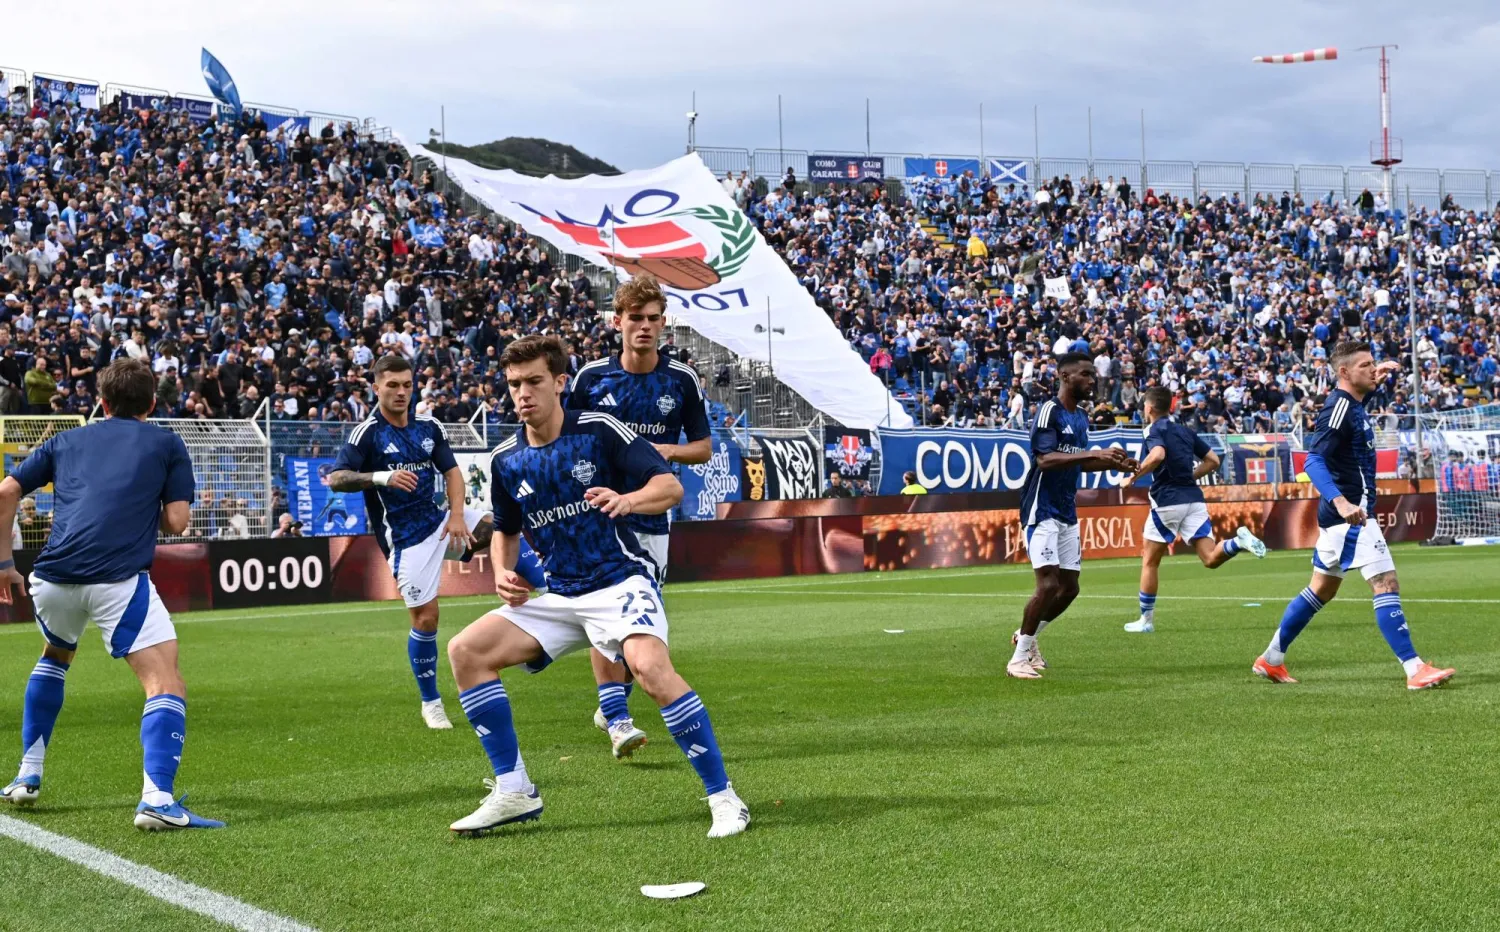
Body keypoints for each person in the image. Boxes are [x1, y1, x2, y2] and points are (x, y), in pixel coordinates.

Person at [445, 335, 748, 838]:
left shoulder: (599, 431)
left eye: (535, 382)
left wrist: (628, 500)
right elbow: (506, 530)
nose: (523, 393)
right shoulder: (506, 460)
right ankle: (514, 790)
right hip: (562, 595)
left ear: (561, 383)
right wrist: (501, 571)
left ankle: (723, 797)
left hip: (619, 580)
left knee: (650, 669)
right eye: (514, 384)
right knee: (465, 652)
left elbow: (669, 487)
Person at [0, 359, 222, 830]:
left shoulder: (67, 438)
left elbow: (6, 492)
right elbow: (178, 523)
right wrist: (148, 505)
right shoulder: (165, 442)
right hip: (115, 579)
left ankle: (27, 776)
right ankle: (158, 798)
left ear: (101, 402)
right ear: (153, 403)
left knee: (55, 655)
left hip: (51, 578)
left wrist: (4, 565)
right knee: (165, 680)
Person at [1253, 342, 1454, 689]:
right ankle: (1414, 669)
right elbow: (1313, 460)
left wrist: (1380, 380)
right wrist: (1343, 503)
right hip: (1352, 516)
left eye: (1374, 363)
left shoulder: (1353, 405)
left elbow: (1353, 415)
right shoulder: (1338, 408)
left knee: (1321, 589)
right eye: (1365, 365)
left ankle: (1271, 659)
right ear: (1344, 372)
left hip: (1341, 517)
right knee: (1385, 583)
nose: (1372, 369)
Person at [566, 276, 710, 759]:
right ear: (617, 322)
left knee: (643, 617)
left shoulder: (680, 380)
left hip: (652, 511)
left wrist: (662, 449)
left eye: (652, 319)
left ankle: (611, 702)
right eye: (635, 319)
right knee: (607, 607)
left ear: (663, 324)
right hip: (603, 512)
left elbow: (704, 448)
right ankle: (618, 716)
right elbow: (568, 441)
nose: (644, 327)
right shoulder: (591, 380)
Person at [328, 355, 487, 729]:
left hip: (439, 522)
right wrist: (382, 477)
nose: (401, 392)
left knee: (499, 523)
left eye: (407, 385)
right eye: (392, 386)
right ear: (376, 388)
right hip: (404, 540)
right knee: (427, 618)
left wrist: (460, 515)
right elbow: (336, 479)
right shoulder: (366, 434)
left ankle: (545, 595)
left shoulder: (428, 426)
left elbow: (452, 471)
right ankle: (431, 702)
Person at [1008, 353, 1138, 679]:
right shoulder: (1049, 411)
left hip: (1066, 508)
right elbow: (1045, 459)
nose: (1092, 380)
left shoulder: (1080, 416)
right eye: (1085, 374)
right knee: (1048, 584)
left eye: (1092, 375)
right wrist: (1096, 452)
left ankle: (1028, 636)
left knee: (1070, 588)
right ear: (1064, 376)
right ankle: (1018, 659)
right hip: (1042, 508)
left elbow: (1078, 461)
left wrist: (1111, 462)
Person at [1124, 388, 1267, 633]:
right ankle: (1238, 543)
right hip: (1194, 499)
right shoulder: (1185, 430)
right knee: (1210, 558)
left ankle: (1145, 622)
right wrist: (1190, 476)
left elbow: (1157, 454)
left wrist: (1132, 477)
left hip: (1168, 500)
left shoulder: (1152, 430)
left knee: (1150, 561)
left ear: (1148, 408)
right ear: (1170, 406)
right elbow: (1213, 460)